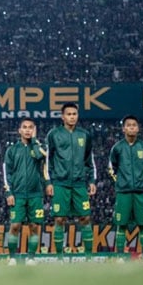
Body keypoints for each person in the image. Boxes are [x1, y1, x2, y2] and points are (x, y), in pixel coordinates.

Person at [47, 102, 97, 260]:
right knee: (59, 219)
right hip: (60, 184)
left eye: (74, 114)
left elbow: (89, 160)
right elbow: (48, 160)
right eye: (68, 114)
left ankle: (89, 257)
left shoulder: (85, 135)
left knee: (85, 218)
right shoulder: (53, 134)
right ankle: (60, 257)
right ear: (62, 117)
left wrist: (92, 180)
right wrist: (48, 182)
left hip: (79, 183)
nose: (72, 117)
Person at [3, 118, 52, 266]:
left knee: (34, 226)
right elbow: (7, 172)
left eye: (31, 127)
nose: (27, 130)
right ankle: (12, 257)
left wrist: (35, 140)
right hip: (17, 194)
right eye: (24, 127)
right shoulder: (12, 150)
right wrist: (8, 192)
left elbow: (42, 158)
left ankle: (31, 257)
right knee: (15, 225)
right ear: (19, 131)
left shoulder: (40, 147)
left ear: (34, 130)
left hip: (35, 194)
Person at [108, 115, 143, 261]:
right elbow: (111, 167)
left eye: (134, 125)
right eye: (129, 125)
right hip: (123, 192)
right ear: (123, 129)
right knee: (121, 225)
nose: (132, 127)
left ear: (138, 128)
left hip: (141, 192)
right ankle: (121, 256)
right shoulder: (117, 148)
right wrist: (121, 182)